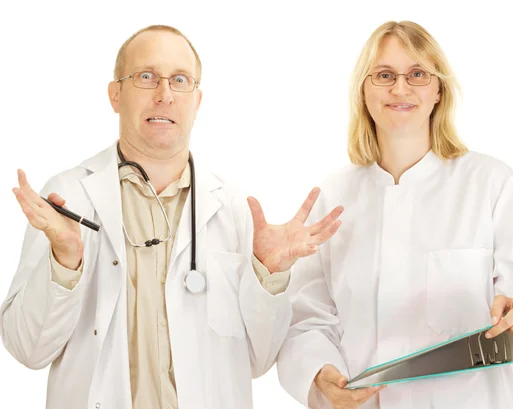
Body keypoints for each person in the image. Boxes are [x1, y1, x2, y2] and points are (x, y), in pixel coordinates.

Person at [0, 25, 343, 409]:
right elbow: (27, 350)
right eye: (146, 77)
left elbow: (257, 361)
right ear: (115, 94)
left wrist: (269, 275)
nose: (164, 95)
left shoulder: (231, 206)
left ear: (197, 100)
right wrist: (65, 261)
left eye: (179, 80)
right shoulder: (68, 197)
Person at [276, 20, 513, 409]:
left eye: (417, 74)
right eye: (384, 75)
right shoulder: (334, 196)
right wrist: (320, 373)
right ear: (363, 91)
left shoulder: (490, 183)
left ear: (438, 90)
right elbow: (306, 318)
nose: (400, 88)